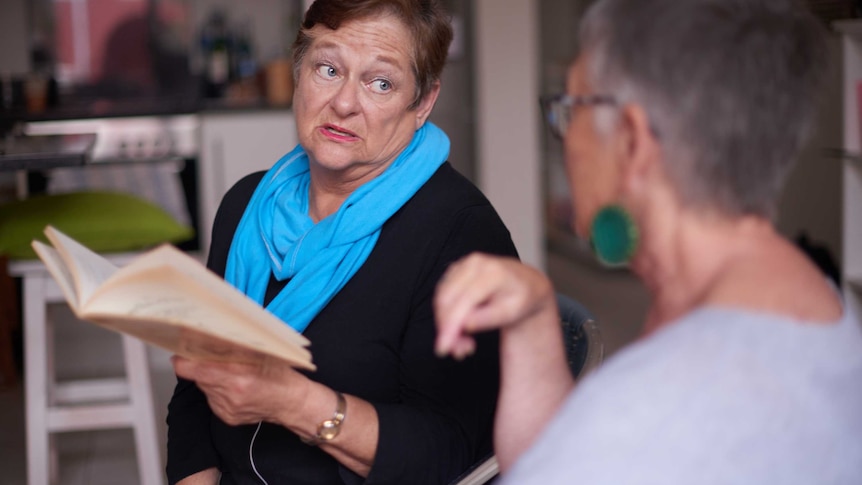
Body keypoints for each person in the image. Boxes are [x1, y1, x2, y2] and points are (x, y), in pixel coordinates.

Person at [434, 0, 862, 483]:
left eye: (570, 109)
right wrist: (534, 326)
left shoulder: (638, 419)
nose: (566, 137)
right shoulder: (821, 299)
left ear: (632, 141)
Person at [166, 1, 517, 483]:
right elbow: (192, 399)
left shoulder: (459, 235)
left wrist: (294, 402)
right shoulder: (246, 207)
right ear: (298, 74)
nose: (345, 103)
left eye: (381, 83)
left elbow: (452, 456)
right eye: (328, 69)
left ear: (423, 104)